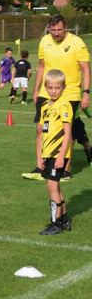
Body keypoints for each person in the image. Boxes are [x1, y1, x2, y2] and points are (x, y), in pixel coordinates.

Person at [24, 15, 92, 182]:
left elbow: (85, 69)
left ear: (66, 27)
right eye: (53, 30)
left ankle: (65, 171)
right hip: (46, 91)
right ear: (48, 28)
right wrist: (36, 90)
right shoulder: (44, 41)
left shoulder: (77, 43)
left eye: (59, 29)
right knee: (41, 129)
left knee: (65, 131)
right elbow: (41, 66)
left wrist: (86, 92)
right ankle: (40, 167)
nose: (56, 33)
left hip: (70, 93)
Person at [35, 69, 73, 235]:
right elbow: (42, 133)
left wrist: (61, 156)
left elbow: (68, 133)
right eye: (50, 87)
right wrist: (40, 156)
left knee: (51, 185)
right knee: (55, 186)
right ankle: (64, 220)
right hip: (48, 153)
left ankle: (55, 224)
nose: (54, 91)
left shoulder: (64, 104)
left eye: (57, 88)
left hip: (58, 154)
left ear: (63, 87)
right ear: (45, 87)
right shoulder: (45, 106)